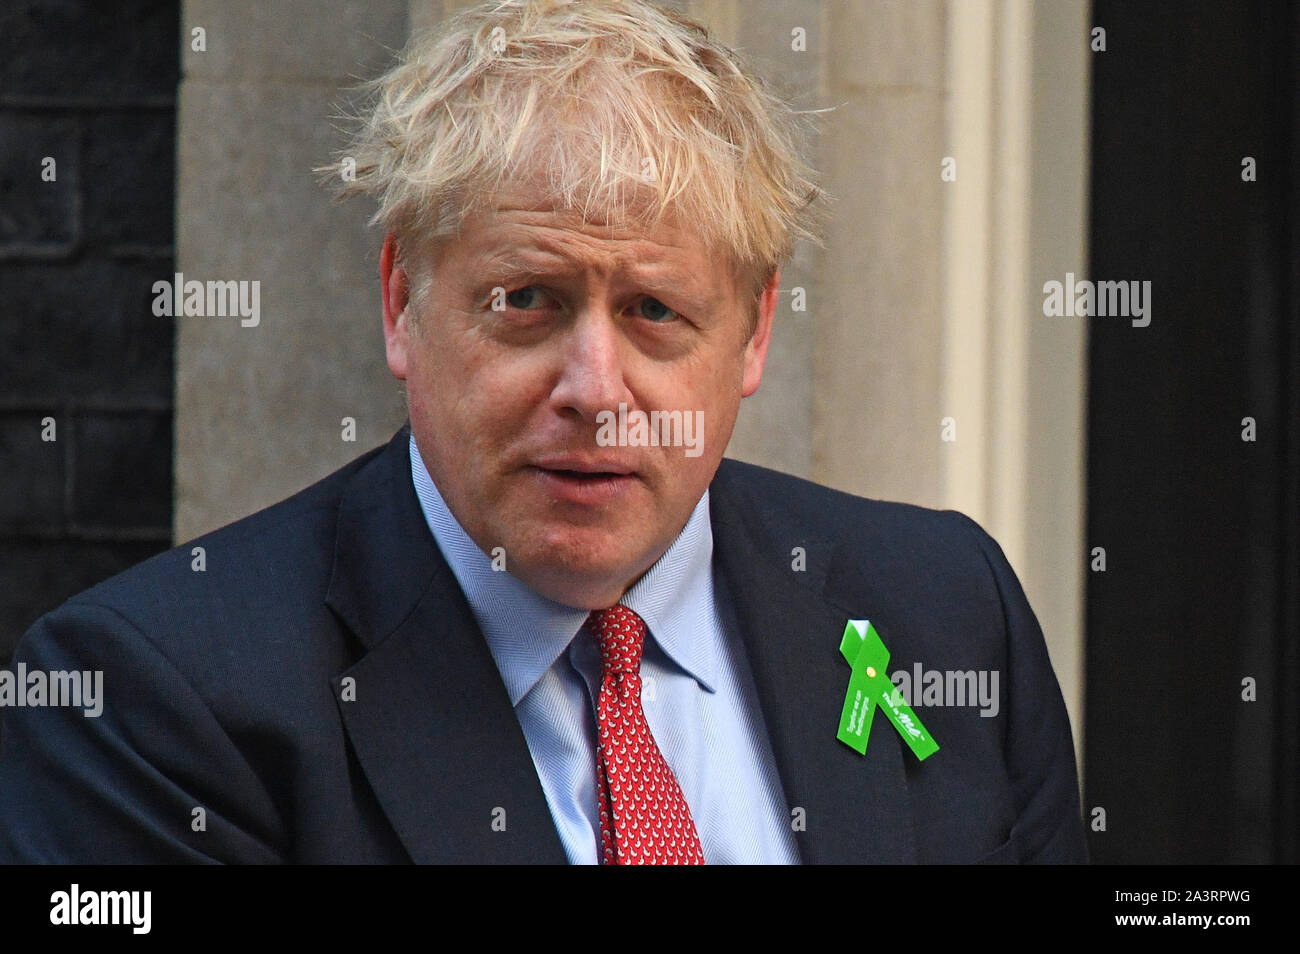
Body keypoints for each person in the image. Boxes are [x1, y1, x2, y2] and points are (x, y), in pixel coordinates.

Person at [0, 0, 1086, 864]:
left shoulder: (945, 613)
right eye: (527, 301)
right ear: (402, 305)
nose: (594, 389)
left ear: (754, 333)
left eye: (655, 312)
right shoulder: (155, 703)